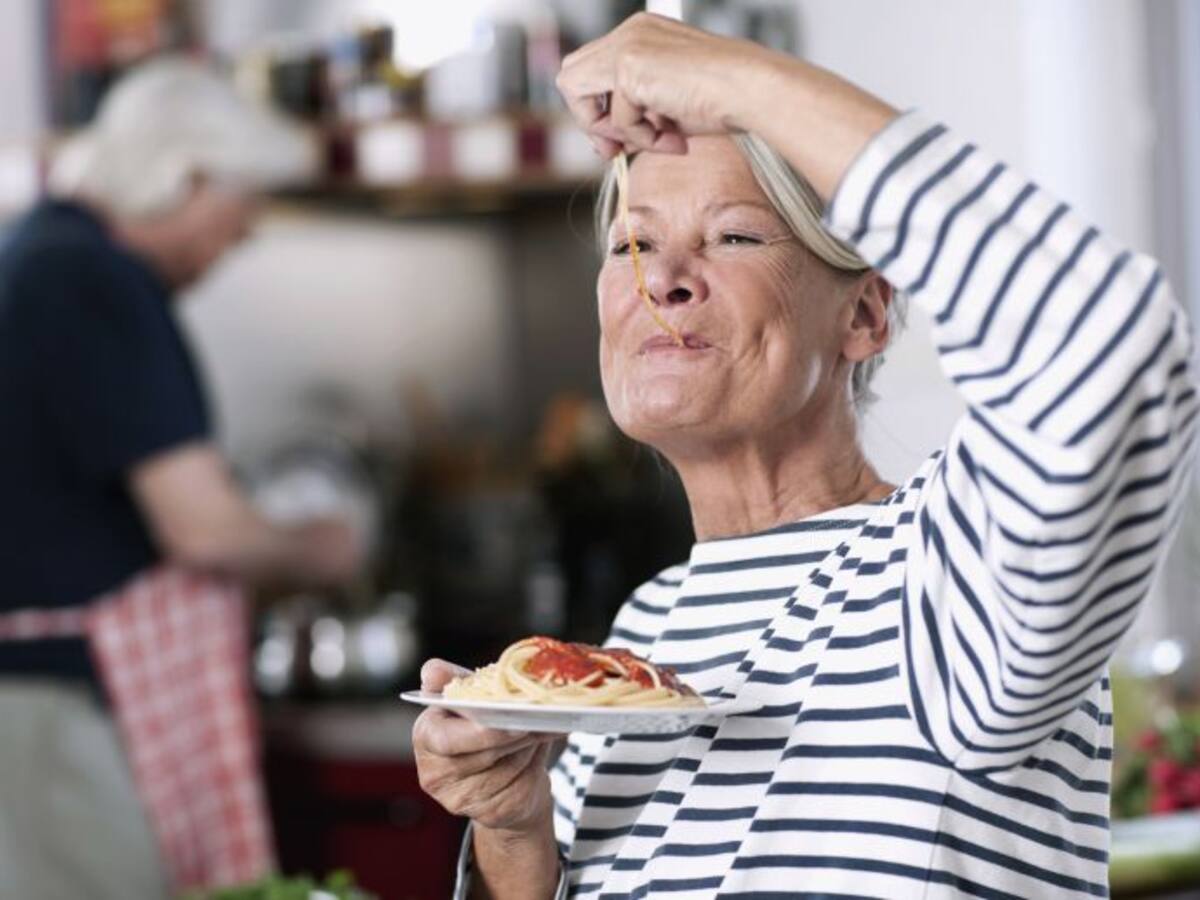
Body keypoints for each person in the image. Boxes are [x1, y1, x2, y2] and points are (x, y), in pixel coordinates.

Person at [414, 13, 1198, 900]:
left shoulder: (947, 572)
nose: (660, 277)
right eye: (632, 242)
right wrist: (515, 836)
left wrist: (735, 79)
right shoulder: (641, 638)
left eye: (734, 236)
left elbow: (1107, 342)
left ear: (865, 314)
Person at [0, 58, 364, 899]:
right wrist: (327, 546)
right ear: (188, 176)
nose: (236, 243)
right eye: (237, 216)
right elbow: (202, 527)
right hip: (52, 709)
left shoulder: (39, 254)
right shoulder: (93, 278)